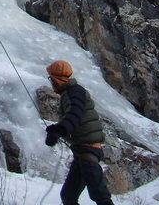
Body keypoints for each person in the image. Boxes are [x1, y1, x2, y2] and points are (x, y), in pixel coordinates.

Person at [44, 60, 114, 205]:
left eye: (51, 79)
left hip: (87, 150)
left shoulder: (73, 92)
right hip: (83, 151)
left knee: (99, 195)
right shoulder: (73, 92)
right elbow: (75, 118)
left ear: (56, 79)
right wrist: (57, 129)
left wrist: (59, 130)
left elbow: (74, 115)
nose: (51, 82)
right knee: (69, 195)